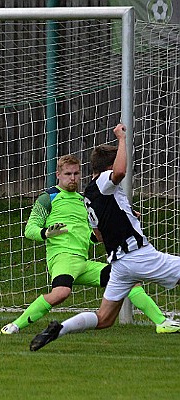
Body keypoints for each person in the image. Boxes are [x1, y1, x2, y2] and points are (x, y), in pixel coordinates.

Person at [30, 123, 180, 351]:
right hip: (137, 255)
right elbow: (119, 172)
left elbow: (99, 232)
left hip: (120, 265)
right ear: (107, 168)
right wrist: (121, 139)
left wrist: (125, 216)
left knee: (104, 319)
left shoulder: (89, 195)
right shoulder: (103, 181)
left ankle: (60, 329)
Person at [0, 154, 179, 336]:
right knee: (61, 293)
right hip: (62, 259)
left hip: (83, 263)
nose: (73, 178)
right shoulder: (48, 198)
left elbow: (94, 236)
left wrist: (125, 218)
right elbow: (29, 229)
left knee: (131, 282)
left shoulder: (83, 200)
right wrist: (46, 232)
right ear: (58, 175)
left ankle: (163, 322)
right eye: (68, 174)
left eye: (76, 173)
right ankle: (15, 325)